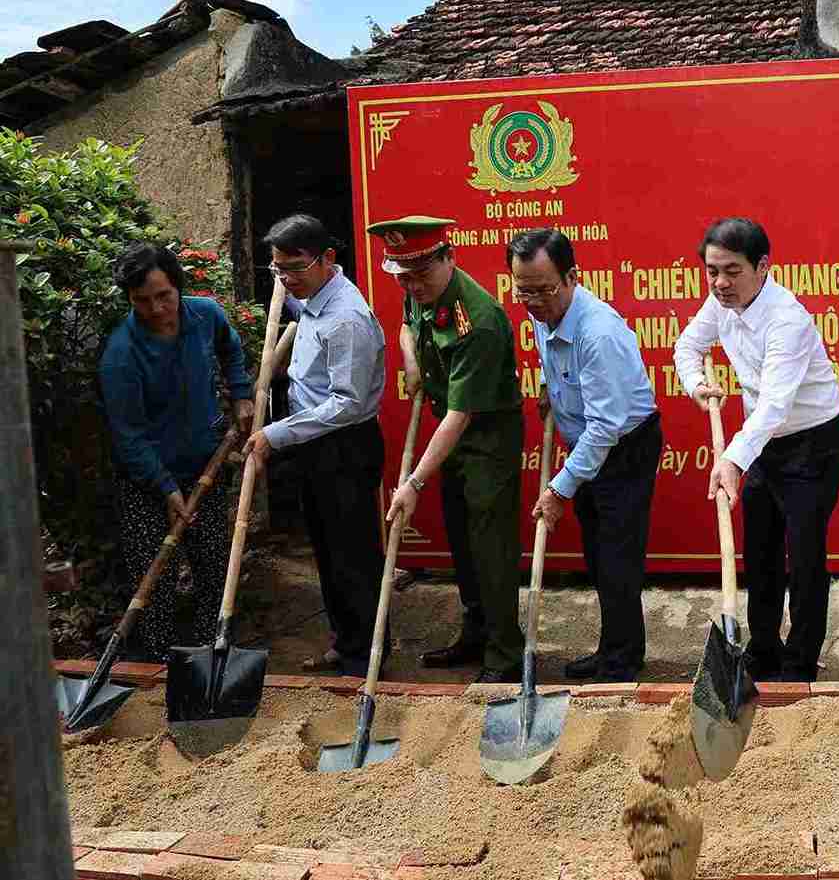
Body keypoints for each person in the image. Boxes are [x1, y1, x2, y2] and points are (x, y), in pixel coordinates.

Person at [673, 218, 839, 683]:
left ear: (763, 266)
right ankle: (763, 647)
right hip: (761, 442)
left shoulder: (786, 318)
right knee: (761, 548)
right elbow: (687, 347)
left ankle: (800, 661)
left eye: (731, 270)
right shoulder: (719, 303)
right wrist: (698, 385)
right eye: (712, 271)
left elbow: (775, 405)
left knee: (805, 553)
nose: (720, 283)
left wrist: (731, 458)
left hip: (811, 442)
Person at [369, 215, 526, 685]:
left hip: (486, 440)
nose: (412, 284)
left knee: (490, 546)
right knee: (461, 540)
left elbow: (462, 415)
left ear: (449, 258)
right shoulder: (418, 290)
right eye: (403, 274)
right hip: (450, 436)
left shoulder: (477, 321)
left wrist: (413, 482)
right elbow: (405, 326)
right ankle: (475, 635)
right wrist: (412, 359)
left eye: (421, 273)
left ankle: (504, 655)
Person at [509, 228, 661, 683]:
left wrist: (558, 489)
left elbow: (605, 429)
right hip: (590, 442)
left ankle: (622, 662)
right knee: (597, 555)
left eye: (545, 290)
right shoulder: (543, 312)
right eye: (524, 291)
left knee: (617, 556)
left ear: (573, 276)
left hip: (623, 448)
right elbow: (558, 365)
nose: (535, 301)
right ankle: (613, 648)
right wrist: (553, 391)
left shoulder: (599, 333)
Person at [246, 215, 387, 678]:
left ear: (328, 258)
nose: (286, 279)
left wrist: (276, 434)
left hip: (343, 447)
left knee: (352, 555)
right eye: (277, 270)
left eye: (295, 268)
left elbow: (346, 403)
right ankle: (346, 642)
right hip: (315, 444)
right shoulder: (310, 301)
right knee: (327, 553)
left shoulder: (345, 317)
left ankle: (365, 656)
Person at [98, 243, 254, 662]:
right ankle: (159, 660)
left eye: (163, 295)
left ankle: (210, 654)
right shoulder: (121, 355)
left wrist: (240, 394)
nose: (156, 308)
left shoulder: (206, 316)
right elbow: (129, 437)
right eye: (142, 301)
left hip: (207, 465)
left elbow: (231, 349)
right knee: (156, 576)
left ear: (177, 287)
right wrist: (166, 490)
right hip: (147, 480)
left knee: (214, 565)